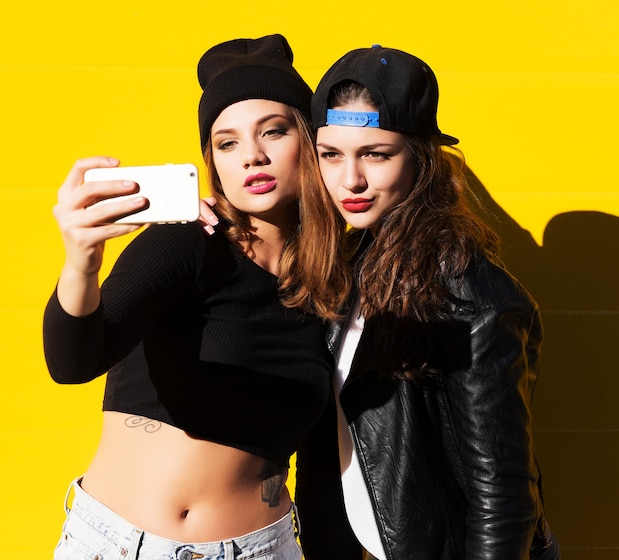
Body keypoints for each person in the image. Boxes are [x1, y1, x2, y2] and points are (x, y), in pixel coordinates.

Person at [42, 34, 350, 560]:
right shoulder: (187, 242)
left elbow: (330, 467)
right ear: (213, 160)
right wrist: (81, 261)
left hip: (267, 548)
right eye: (227, 142)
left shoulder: (336, 284)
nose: (252, 155)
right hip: (121, 546)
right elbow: (74, 361)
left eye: (273, 132)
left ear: (310, 141)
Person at [295, 45, 561, 559]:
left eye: (376, 153)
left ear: (420, 156)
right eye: (331, 154)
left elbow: (503, 495)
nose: (350, 180)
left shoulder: (471, 298)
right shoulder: (352, 264)